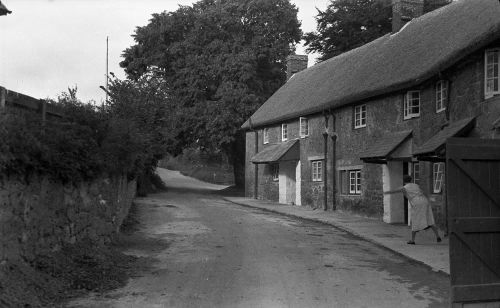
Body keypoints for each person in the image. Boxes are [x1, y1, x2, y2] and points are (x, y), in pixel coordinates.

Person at [384, 175, 442, 245]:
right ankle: (438, 236)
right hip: (424, 200)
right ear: (411, 180)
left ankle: (412, 240)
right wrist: (429, 199)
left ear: (404, 181)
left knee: (414, 220)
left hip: (416, 202)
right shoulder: (416, 185)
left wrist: (387, 192)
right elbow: (423, 192)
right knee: (430, 218)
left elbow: (396, 191)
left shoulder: (405, 187)